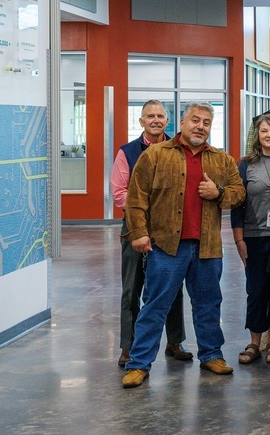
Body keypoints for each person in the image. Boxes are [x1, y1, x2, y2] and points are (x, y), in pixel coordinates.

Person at [121, 102, 246, 389]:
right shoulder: (155, 155)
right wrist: (139, 233)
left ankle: (211, 354)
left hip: (207, 247)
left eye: (206, 122)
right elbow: (136, 198)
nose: (200, 126)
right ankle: (139, 363)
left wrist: (219, 192)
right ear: (181, 122)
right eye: (195, 120)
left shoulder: (222, 160)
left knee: (209, 305)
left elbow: (239, 193)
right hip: (166, 247)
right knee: (155, 305)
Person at [111, 100, 191, 368]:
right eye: (150, 116)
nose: (156, 120)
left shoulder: (180, 150)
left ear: (167, 121)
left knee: (173, 286)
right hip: (135, 227)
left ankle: (175, 341)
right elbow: (119, 192)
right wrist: (141, 217)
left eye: (160, 116)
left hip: (171, 229)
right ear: (141, 121)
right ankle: (128, 347)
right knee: (132, 288)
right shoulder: (127, 152)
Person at [232, 113, 270, 366]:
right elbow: (237, 205)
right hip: (254, 237)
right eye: (264, 131)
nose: (269, 135)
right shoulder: (245, 165)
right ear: (257, 136)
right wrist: (239, 240)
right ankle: (255, 342)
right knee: (256, 291)